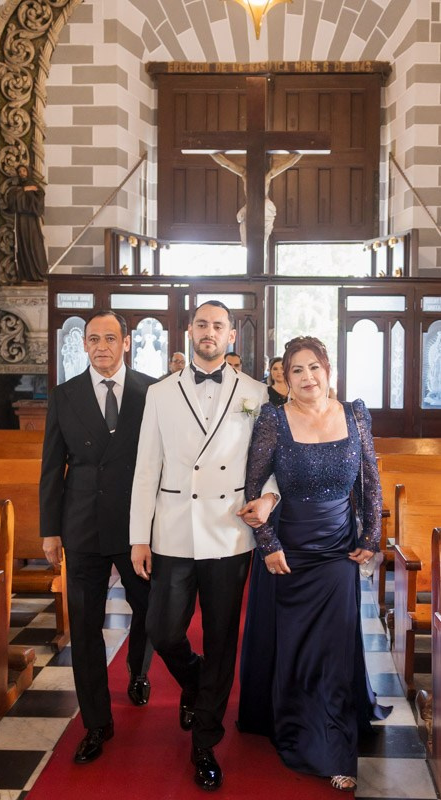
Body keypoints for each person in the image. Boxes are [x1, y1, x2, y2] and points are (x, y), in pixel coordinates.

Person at [130, 300, 280, 792]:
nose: (209, 332)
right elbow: (146, 467)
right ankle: (193, 680)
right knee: (162, 629)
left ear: (232, 335)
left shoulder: (255, 393)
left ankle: (205, 742)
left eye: (218, 325)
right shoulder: (160, 392)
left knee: (220, 640)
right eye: (201, 324)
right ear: (189, 331)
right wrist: (139, 536)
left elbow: (268, 461)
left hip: (228, 531)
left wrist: (269, 498)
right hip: (173, 530)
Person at [238, 335, 391, 793]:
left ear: (328, 370)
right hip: (290, 550)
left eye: (314, 368)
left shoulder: (355, 415)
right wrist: (267, 544)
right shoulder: (273, 419)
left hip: (338, 551)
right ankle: (295, 723)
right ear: (285, 378)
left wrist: (371, 536)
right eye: (297, 370)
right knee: (298, 648)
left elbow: (370, 480)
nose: (307, 377)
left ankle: (334, 748)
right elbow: (253, 488)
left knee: (334, 649)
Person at [40, 310, 156, 766]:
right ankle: (96, 722)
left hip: (136, 526)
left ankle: (138, 670)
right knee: (86, 628)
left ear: (126, 343)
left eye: (110, 338)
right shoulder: (65, 395)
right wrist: (50, 530)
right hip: (82, 525)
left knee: (149, 609)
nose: (101, 346)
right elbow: (52, 467)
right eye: (93, 339)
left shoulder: (152, 391)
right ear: (84, 344)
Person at [210, 153, 301, 246]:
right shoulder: (245, 174)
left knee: (257, 240)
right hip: (251, 207)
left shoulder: (267, 175)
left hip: (265, 208)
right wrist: (210, 151)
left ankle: (256, 246)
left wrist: (300, 153)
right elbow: (226, 164)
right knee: (250, 240)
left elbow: (289, 164)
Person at [5, 164, 49, 282]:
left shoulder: (36, 187)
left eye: (24, 170)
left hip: (32, 221)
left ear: (28, 172)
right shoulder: (17, 188)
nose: (22, 173)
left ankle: (40, 273)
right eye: (19, 172)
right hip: (21, 221)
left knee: (35, 244)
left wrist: (28, 191)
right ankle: (26, 274)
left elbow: (39, 200)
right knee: (23, 245)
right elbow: (11, 199)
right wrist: (24, 189)